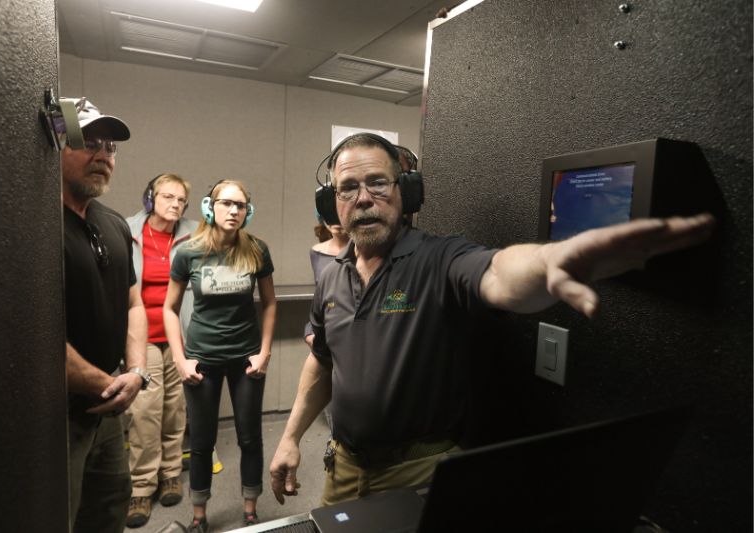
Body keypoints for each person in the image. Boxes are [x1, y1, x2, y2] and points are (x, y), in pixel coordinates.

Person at [269, 133, 715, 506]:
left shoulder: (438, 258)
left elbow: (499, 272)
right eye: (349, 188)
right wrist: (291, 437)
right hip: (343, 466)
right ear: (333, 204)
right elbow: (323, 362)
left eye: (378, 183)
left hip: (418, 472)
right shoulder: (331, 276)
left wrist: (548, 260)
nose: (364, 198)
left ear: (406, 193)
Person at [163, 179, 277, 531]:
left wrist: (265, 353)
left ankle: (249, 511)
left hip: (245, 360)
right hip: (202, 360)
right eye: (226, 203)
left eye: (240, 205)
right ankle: (199, 517)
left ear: (248, 212)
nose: (233, 211)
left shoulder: (257, 249)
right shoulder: (189, 251)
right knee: (201, 441)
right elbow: (169, 308)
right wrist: (180, 360)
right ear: (209, 207)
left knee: (249, 437)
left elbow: (270, 304)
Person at [62, 97, 150, 533]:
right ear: (56, 145)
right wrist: (108, 385)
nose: (103, 156)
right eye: (88, 143)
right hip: (60, 414)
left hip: (110, 408)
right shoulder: (35, 225)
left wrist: (135, 371)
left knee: (109, 507)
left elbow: (132, 303)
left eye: (110, 148)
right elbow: (31, 334)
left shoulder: (114, 224)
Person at [124, 173, 198, 527]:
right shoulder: (128, 231)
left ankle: (170, 472)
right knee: (144, 411)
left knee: (175, 407)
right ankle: (141, 486)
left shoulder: (194, 233)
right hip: (142, 336)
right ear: (150, 198)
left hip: (179, 335)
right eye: (168, 196)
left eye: (181, 199)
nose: (175, 204)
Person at [304, 213, 350, 431]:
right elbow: (319, 296)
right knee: (326, 389)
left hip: (351, 330)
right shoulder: (316, 251)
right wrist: (310, 330)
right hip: (325, 327)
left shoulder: (363, 251)